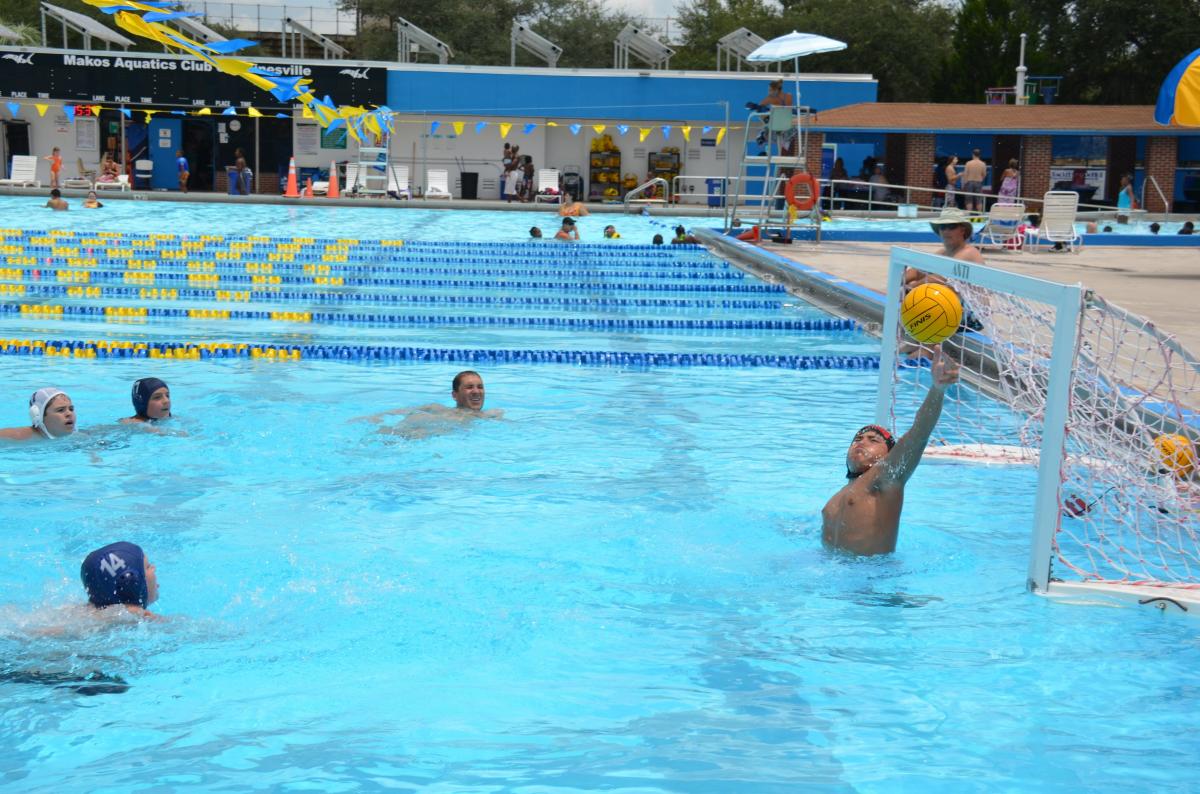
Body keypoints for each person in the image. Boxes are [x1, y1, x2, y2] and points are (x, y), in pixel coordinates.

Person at [822, 346, 960, 555]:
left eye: (873, 440)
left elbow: (919, 433)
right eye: (857, 439)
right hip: (828, 568)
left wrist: (937, 389)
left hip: (870, 573)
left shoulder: (885, 478)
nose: (861, 442)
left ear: (889, 454)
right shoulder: (840, 494)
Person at [80, 542, 160, 620]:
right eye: (148, 567)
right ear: (130, 582)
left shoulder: (88, 615)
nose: (154, 568)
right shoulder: (143, 617)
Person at [0, 388, 76, 441]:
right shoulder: (19, 436)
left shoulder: (78, 438)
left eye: (71, 409)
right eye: (60, 410)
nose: (69, 413)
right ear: (38, 415)